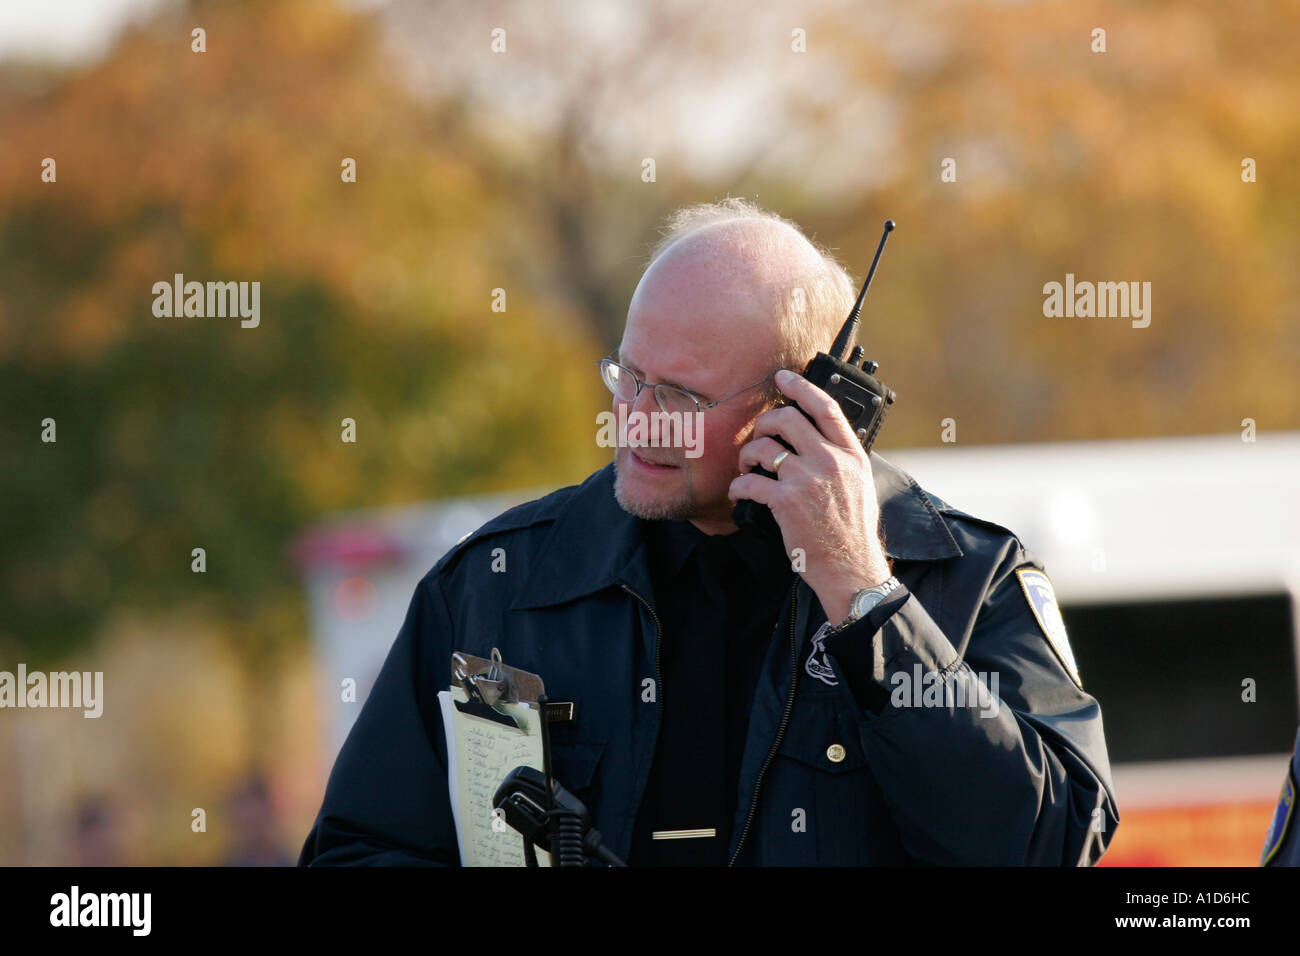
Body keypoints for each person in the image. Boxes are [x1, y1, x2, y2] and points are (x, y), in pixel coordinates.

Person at [299, 198, 1119, 866]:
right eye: (629, 377)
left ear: (796, 409)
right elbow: (358, 852)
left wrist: (866, 600)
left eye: (682, 398)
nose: (637, 422)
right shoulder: (497, 586)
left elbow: (1048, 850)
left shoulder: (966, 581)